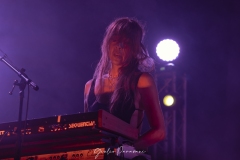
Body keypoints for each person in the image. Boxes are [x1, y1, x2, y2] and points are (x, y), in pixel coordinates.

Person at [84, 17, 165, 159]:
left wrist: (127, 150)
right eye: (115, 39)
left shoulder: (142, 81)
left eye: (127, 42)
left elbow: (159, 131)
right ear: (107, 43)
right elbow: (86, 130)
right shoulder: (89, 86)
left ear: (135, 49)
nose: (119, 46)